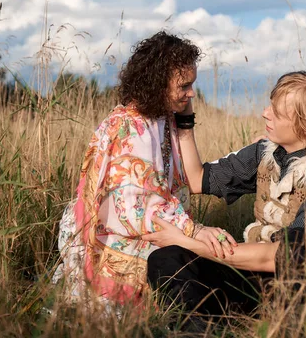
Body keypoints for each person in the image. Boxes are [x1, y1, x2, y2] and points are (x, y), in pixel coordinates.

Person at [143, 71, 306, 329]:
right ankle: (198, 330)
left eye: (277, 112)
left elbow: (281, 259)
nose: (264, 113)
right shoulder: (266, 153)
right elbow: (196, 179)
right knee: (167, 259)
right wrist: (185, 118)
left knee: (296, 285)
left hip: (295, 289)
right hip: (250, 274)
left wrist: (186, 241)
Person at [53, 31, 236, 306]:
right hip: (115, 233)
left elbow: (186, 180)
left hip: (144, 223)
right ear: (157, 84)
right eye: (184, 86)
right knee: (197, 257)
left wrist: (186, 120)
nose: (192, 93)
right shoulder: (130, 127)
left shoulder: (161, 118)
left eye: (192, 84)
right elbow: (137, 206)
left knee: (210, 252)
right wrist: (193, 230)